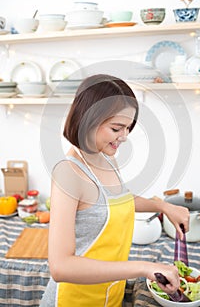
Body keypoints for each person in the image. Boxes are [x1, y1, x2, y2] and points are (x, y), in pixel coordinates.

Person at [40, 74, 190, 307]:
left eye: (128, 128)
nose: (125, 137)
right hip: (74, 299)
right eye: (116, 128)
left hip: (110, 294)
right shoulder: (68, 174)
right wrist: (144, 267)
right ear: (88, 119)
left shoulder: (107, 159)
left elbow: (115, 200)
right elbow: (60, 267)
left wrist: (162, 205)